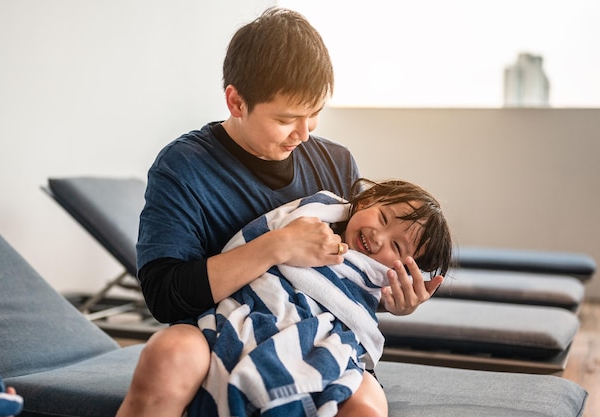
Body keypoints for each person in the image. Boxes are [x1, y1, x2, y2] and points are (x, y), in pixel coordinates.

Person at [116, 7, 443, 417]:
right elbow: (165, 297)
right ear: (236, 101)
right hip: (218, 328)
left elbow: (343, 279)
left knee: (367, 404)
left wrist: (388, 299)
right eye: (287, 119)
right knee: (168, 353)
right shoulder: (183, 168)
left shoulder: (337, 163)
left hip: (314, 335)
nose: (304, 134)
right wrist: (277, 246)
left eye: (315, 113)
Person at [186, 178, 452, 417]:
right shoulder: (315, 214)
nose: (378, 236)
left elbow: (354, 301)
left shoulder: (378, 275)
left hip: (326, 339)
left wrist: (392, 303)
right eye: (382, 218)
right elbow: (252, 243)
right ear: (367, 201)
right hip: (261, 311)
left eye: (396, 246)